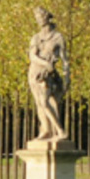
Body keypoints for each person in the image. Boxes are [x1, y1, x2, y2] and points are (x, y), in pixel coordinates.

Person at [28, 7, 69, 141]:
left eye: (41, 17)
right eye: (37, 18)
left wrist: (66, 76)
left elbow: (64, 59)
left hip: (48, 74)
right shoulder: (36, 37)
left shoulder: (58, 37)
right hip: (35, 72)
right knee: (39, 104)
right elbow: (32, 56)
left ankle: (60, 131)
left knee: (45, 102)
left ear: (47, 18)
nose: (39, 20)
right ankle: (46, 130)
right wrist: (45, 63)